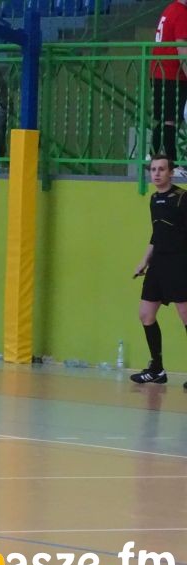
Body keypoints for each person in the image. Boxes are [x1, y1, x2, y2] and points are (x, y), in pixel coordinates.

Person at [130, 154, 187, 385]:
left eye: (161, 169)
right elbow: (157, 234)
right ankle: (157, 369)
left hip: (180, 263)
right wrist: (144, 261)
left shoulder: (182, 198)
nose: (156, 173)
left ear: (171, 172)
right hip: (158, 264)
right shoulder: (154, 199)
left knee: (185, 316)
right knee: (146, 314)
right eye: (153, 169)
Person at [151, 0, 187, 175]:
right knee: (171, 119)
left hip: (160, 72)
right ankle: (171, 164)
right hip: (172, 74)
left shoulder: (171, 9)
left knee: (167, 118)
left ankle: (154, 157)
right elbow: (182, 47)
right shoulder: (181, 12)